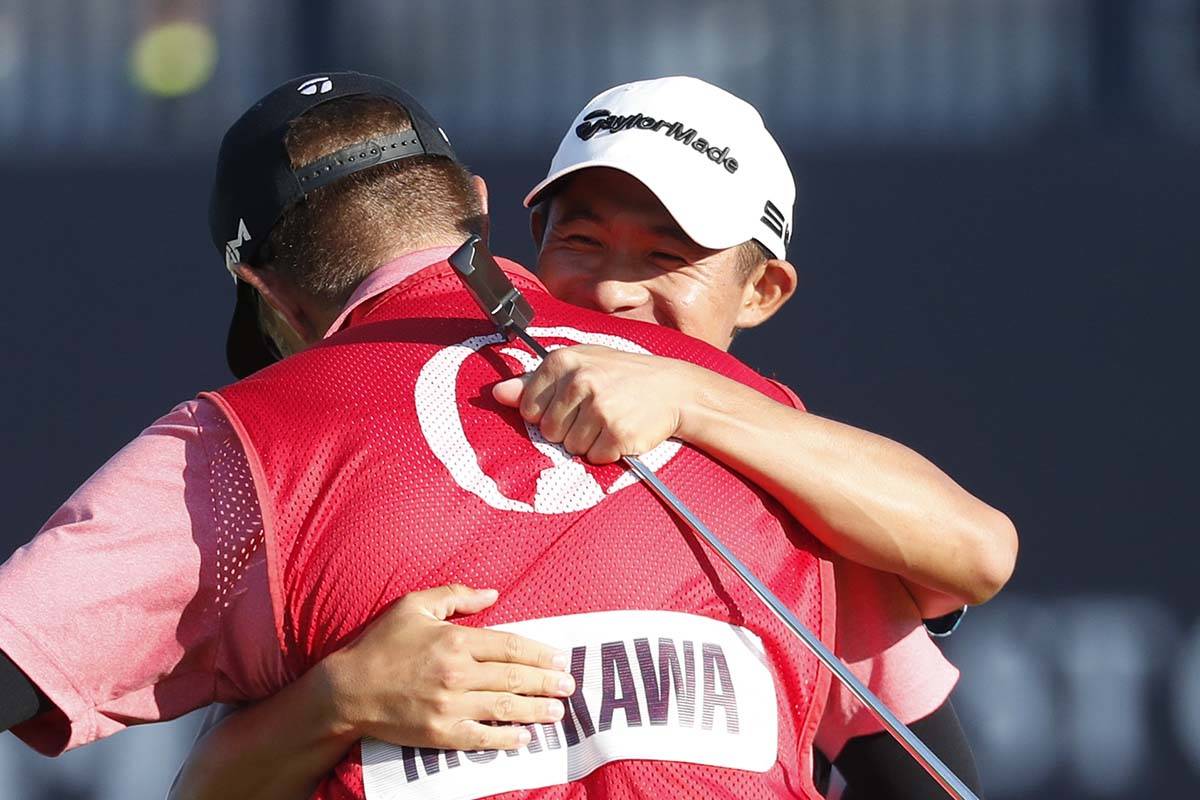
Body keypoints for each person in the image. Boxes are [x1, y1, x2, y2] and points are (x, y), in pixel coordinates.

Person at [0, 72, 843, 800]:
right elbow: (911, 728)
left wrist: (331, 703)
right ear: (478, 206)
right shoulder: (743, 406)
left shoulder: (236, 445)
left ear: (270, 296)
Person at [168, 77, 1015, 799]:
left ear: (761, 291)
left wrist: (685, 397)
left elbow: (975, 562)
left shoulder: (786, 480)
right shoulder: (426, 418)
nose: (612, 292)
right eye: (581, 240)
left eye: (664, 256)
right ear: (528, 246)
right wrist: (335, 701)